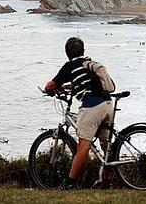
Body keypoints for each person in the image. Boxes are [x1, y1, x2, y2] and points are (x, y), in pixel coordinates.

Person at [45, 37, 114, 190]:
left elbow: (51, 84)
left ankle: (69, 183)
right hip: (108, 104)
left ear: (67, 53)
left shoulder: (70, 66)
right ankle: (106, 182)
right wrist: (71, 86)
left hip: (92, 106)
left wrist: (49, 89)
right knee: (106, 145)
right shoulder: (88, 64)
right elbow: (84, 82)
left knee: (83, 145)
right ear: (83, 50)